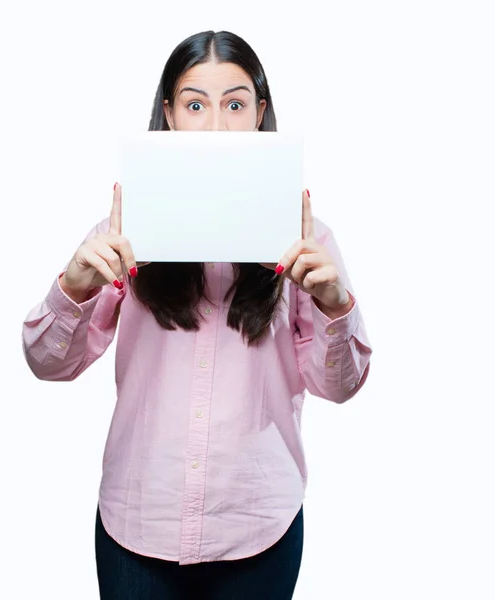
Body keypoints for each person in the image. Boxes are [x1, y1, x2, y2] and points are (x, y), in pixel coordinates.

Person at [22, 29, 373, 600]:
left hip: (258, 525)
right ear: (169, 114)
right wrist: (73, 286)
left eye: (235, 105)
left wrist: (336, 306)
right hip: (139, 524)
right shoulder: (124, 231)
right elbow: (47, 365)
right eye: (194, 105)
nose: (215, 126)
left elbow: (340, 388)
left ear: (261, 114)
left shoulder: (307, 240)